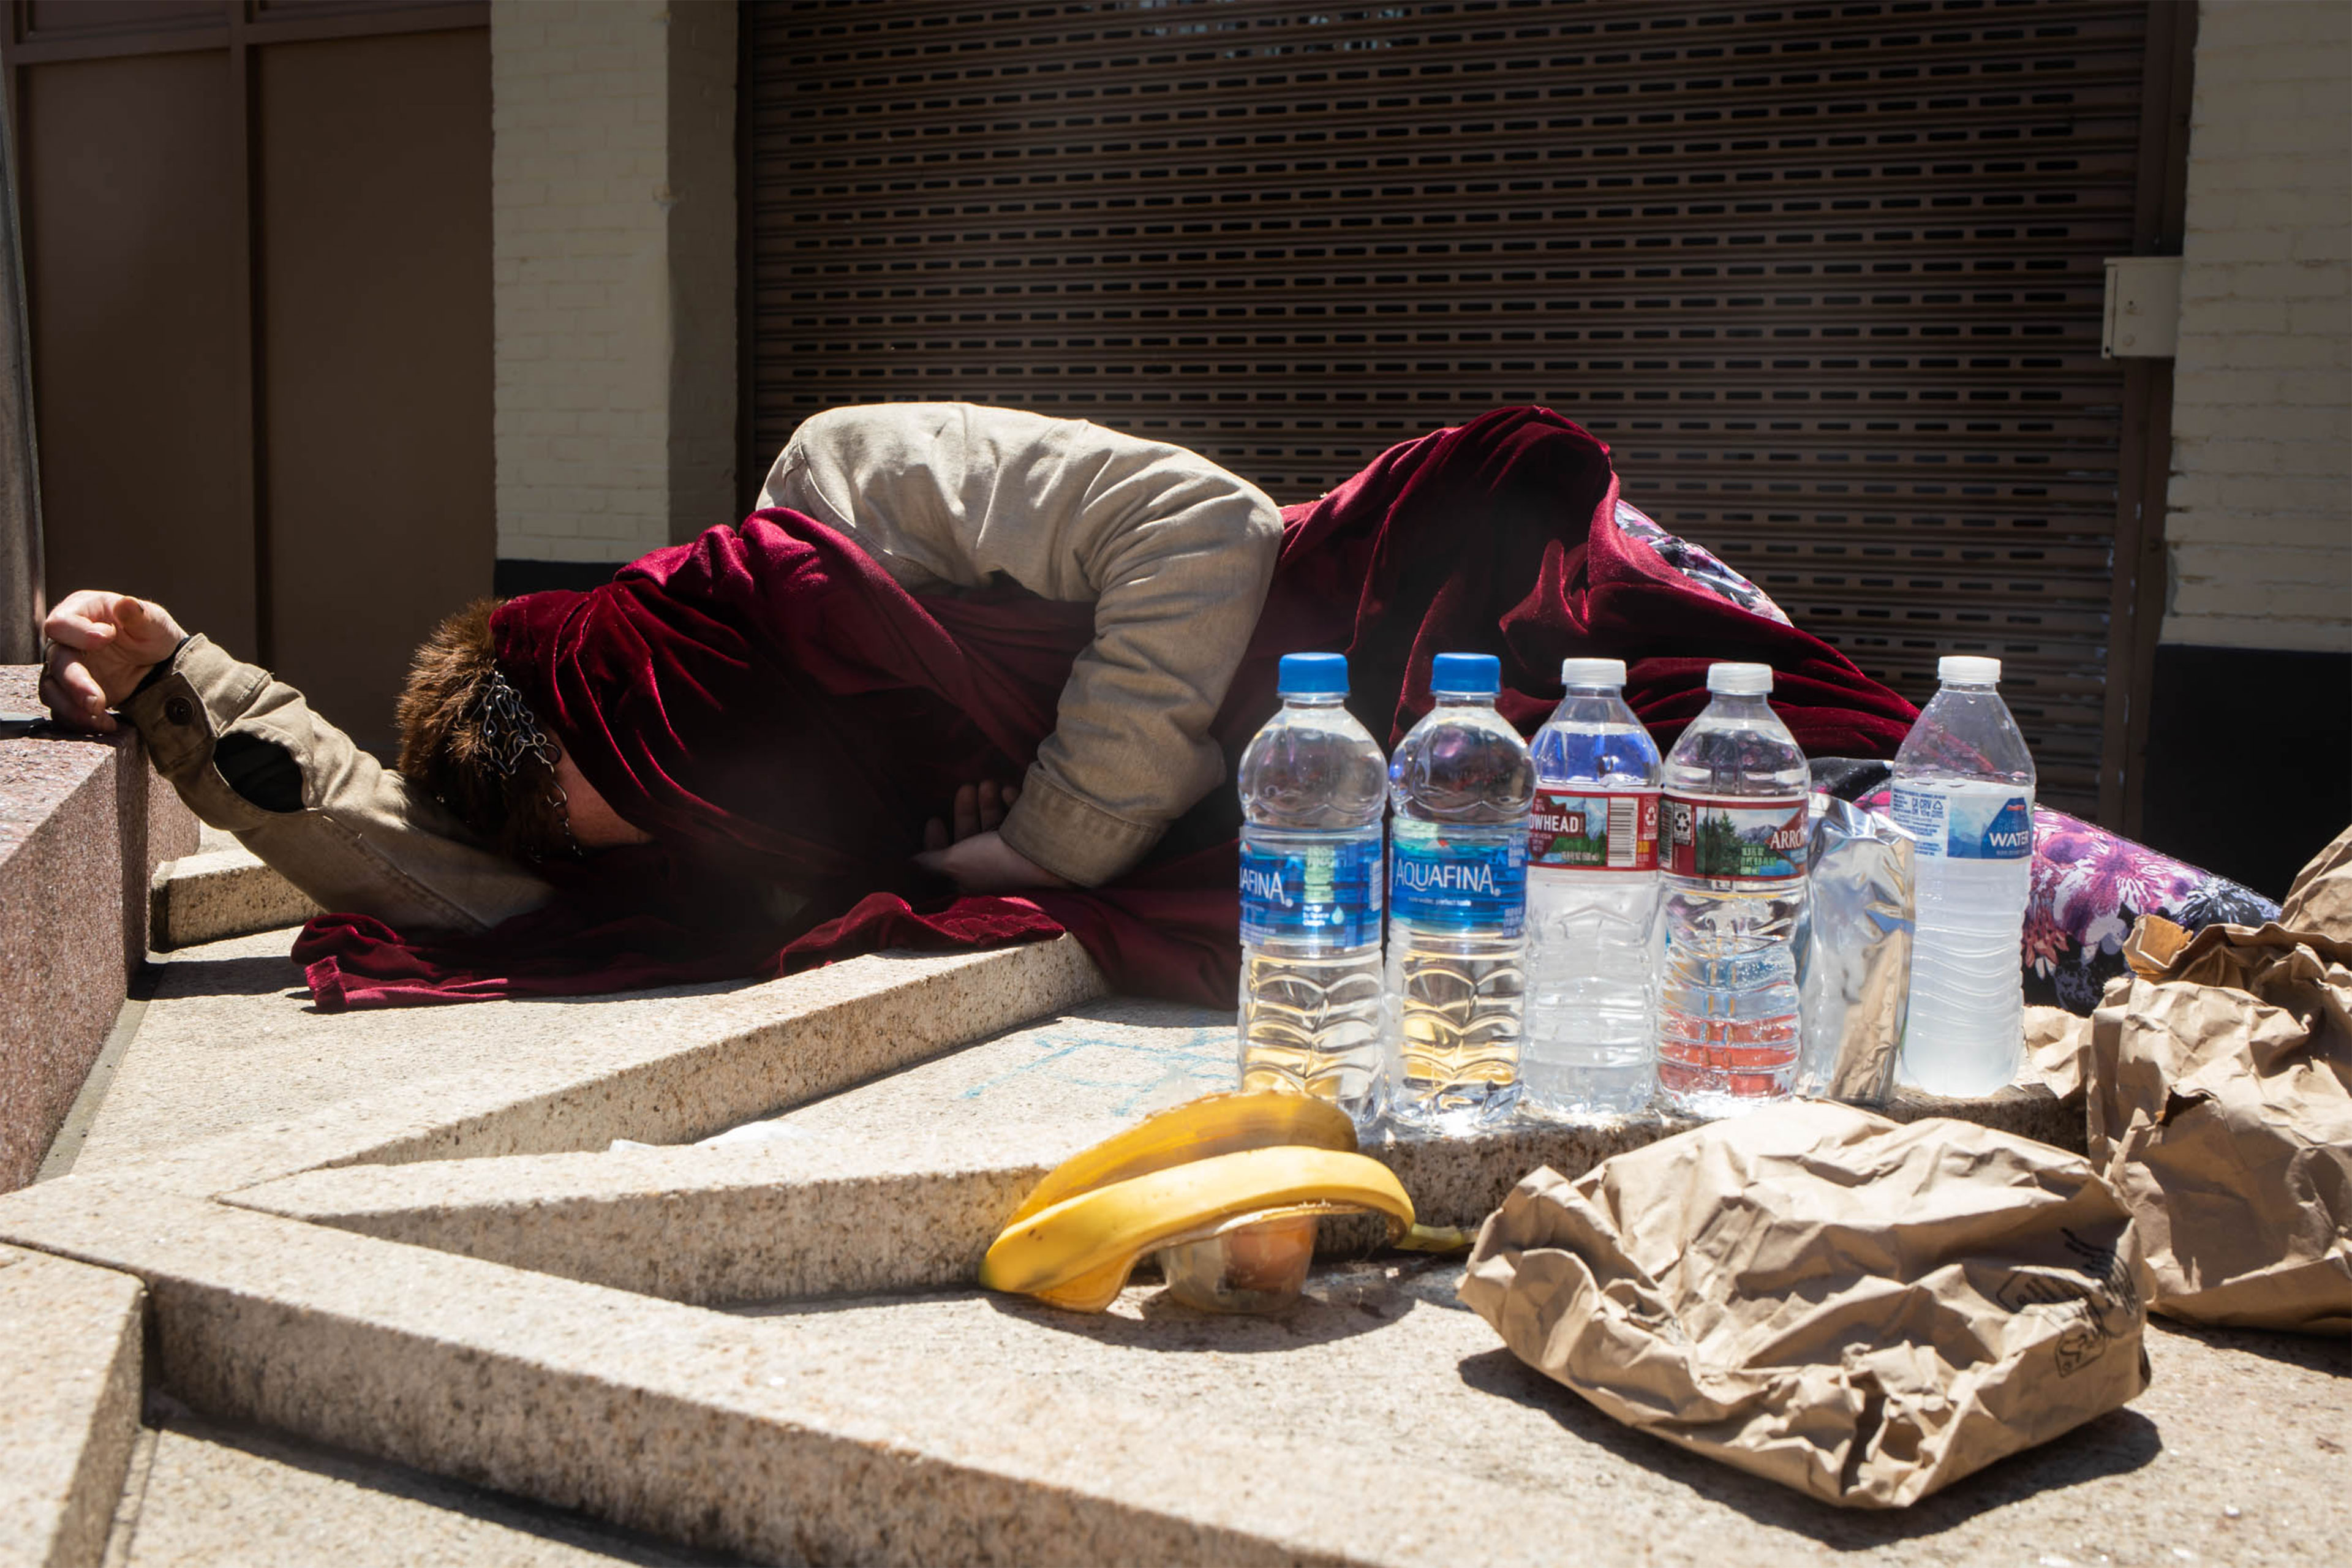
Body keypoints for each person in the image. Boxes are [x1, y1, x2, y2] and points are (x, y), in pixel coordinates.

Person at [39, 403, 1922, 1010]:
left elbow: (1198, 531)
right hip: (1320, 832)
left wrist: (1053, 840)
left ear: (632, 687)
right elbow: (461, 881)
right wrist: (185, 691)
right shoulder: (659, 817)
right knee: (1810, 962)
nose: (704, 833)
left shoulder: (842, 490)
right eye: (660, 831)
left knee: (1924, 846)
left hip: (1467, 612)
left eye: (664, 785)